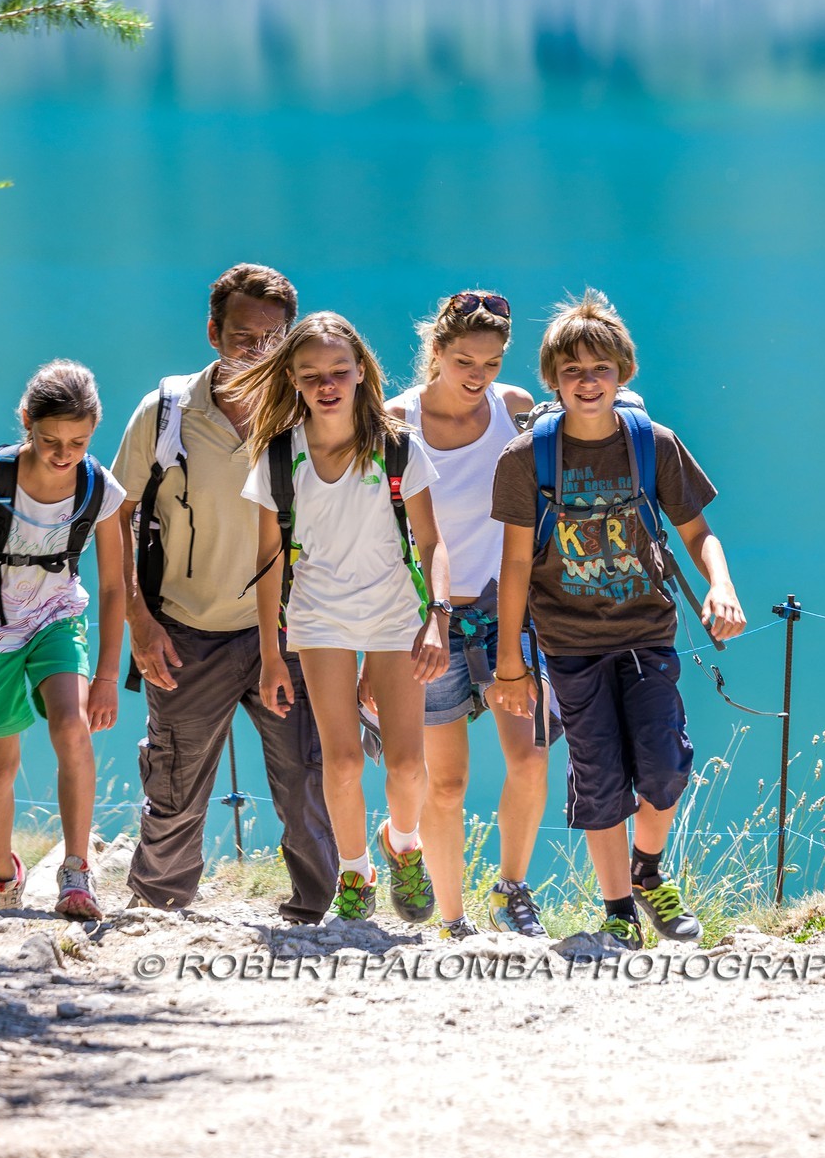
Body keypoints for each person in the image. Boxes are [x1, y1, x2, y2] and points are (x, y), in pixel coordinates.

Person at [492, 291, 747, 949]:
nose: (587, 382)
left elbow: (697, 532)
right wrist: (510, 663)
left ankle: (647, 871)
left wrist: (721, 586)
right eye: (572, 371)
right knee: (599, 776)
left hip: (643, 632)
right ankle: (616, 910)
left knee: (662, 769)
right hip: (569, 644)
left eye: (600, 369)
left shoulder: (651, 445)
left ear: (621, 374)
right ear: (552, 379)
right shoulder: (525, 460)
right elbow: (515, 564)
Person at [112, 263, 337, 922]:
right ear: (213, 332)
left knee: (305, 777)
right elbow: (116, 519)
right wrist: (138, 620)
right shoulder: (166, 413)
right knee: (175, 784)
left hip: (291, 632)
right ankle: (158, 907)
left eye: (274, 338)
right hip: (183, 629)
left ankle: (316, 911)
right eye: (243, 336)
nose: (259, 351)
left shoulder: (309, 411)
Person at [234, 311, 451, 926]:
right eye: (311, 376)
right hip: (318, 615)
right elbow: (268, 558)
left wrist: (437, 618)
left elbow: (433, 543)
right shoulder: (280, 456)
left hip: (394, 614)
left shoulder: (398, 445)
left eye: (337, 371)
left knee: (408, 765)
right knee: (345, 760)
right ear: (295, 382)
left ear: (361, 371)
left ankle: (402, 845)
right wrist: (272, 654)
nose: (326, 384)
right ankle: (355, 871)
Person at [382, 289, 550, 942]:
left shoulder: (514, 410)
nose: (476, 374)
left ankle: (511, 892)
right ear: (436, 352)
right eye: (462, 360)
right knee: (445, 783)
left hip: (507, 611)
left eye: (490, 361)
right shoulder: (398, 422)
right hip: (427, 619)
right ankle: (452, 921)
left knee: (530, 759)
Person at [0, 361, 125, 919]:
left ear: (93, 432)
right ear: (26, 423)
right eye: (50, 439)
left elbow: (113, 586)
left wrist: (107, 675)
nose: (64, 453)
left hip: (57, 615)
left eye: (79, 441)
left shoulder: (97, 488)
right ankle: (1, 870)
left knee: (72, 726)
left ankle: (76, 872)